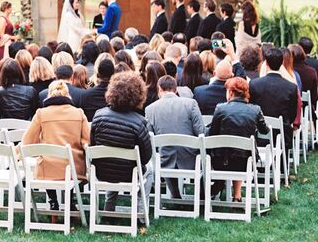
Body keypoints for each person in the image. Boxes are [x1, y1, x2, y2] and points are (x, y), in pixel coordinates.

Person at [90, 71, 153, 215]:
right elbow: (145, 158)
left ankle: (109, 207)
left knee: (112, 161)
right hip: (129, 173)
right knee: (150, 171)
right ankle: (141, 213)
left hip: (102, 172)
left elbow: (93, 146)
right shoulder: (139, 122)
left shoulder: (98, 116)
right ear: (138, 94)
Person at [22, 80, 90, 210]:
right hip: (74, 169)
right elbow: (87, 141)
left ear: (49, 94)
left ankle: (53, 200)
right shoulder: (79, 112)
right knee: (68, 164)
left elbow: (28, 142)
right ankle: (70, 201)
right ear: (67, 94)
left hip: (48, 168)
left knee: (46, 162)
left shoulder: (41, 113)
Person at [206, 77, 268, 200]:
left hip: (221, 162)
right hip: (245, 163)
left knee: (229, 151)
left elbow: (212, 133)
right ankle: (237, 195)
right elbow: (264, 131)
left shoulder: (221, 108)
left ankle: (220, 184)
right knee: (240, 153)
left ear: (230, 92)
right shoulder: (255, 109)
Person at [145, 75, 205, 198]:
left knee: (164, 150)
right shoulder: (191, 104)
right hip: (191, 159)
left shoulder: (150, 109)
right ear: (176, 89)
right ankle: (202, 195)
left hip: (164, 160)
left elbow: (149, 138)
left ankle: (175, 195)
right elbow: (201, 132)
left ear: (159, 89)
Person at [249, 46, 298, 152]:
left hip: (259, 134)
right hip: (282, 135)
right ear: (281, 64)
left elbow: (251, 109)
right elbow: (292, 115)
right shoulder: (291, 87)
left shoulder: (254, 84)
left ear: (265, 63)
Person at [292, 43, 318, 115]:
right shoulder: (311, 72)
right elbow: (314, 96)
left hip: (290, 111)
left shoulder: (287, 72)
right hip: (307, 109)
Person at [0, 1, 16, 67]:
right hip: (3, 44)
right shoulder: (2, 19)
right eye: (10, 7)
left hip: (8, 42)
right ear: (6, 8)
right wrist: (14, 37)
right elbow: (1, 34)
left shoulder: (7, 19)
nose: (11, 9)